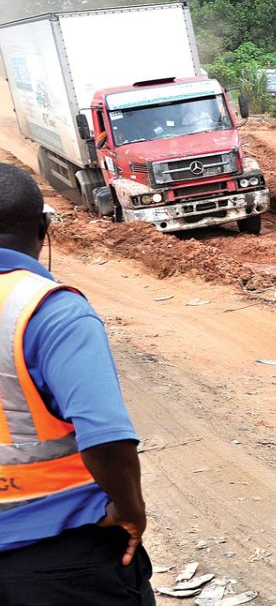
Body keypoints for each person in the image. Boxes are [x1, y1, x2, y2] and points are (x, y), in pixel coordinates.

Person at [0, 163, 152, 605]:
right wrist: (130, 510)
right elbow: (105, 437)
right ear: (45, 227)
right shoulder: (50, 310)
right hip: (61, 563)